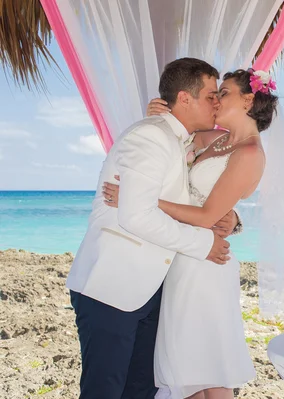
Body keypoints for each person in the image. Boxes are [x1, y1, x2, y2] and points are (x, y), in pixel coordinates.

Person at [102, 68, 279, 399]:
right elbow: (171, 149)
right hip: (180, 259)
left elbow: (207, 215)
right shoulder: (215, 139)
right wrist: (161, 116)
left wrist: (144, 201)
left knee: (210, 370)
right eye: (212, 94)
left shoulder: (250, 153)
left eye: (222, 93)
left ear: (248, 99)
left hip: (206, 265)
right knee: (183, 371)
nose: (215, 99)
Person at [67, 58, 238, 399]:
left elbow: (196, 196)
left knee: (141, 389)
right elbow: (137, 216)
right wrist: (202, 244)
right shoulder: (150, 136)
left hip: (150, 289)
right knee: (105, 390)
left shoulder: (181, 140)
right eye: (209, 95)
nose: (216, 103)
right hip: (111, 285)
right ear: (184, 98)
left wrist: (231, 219)